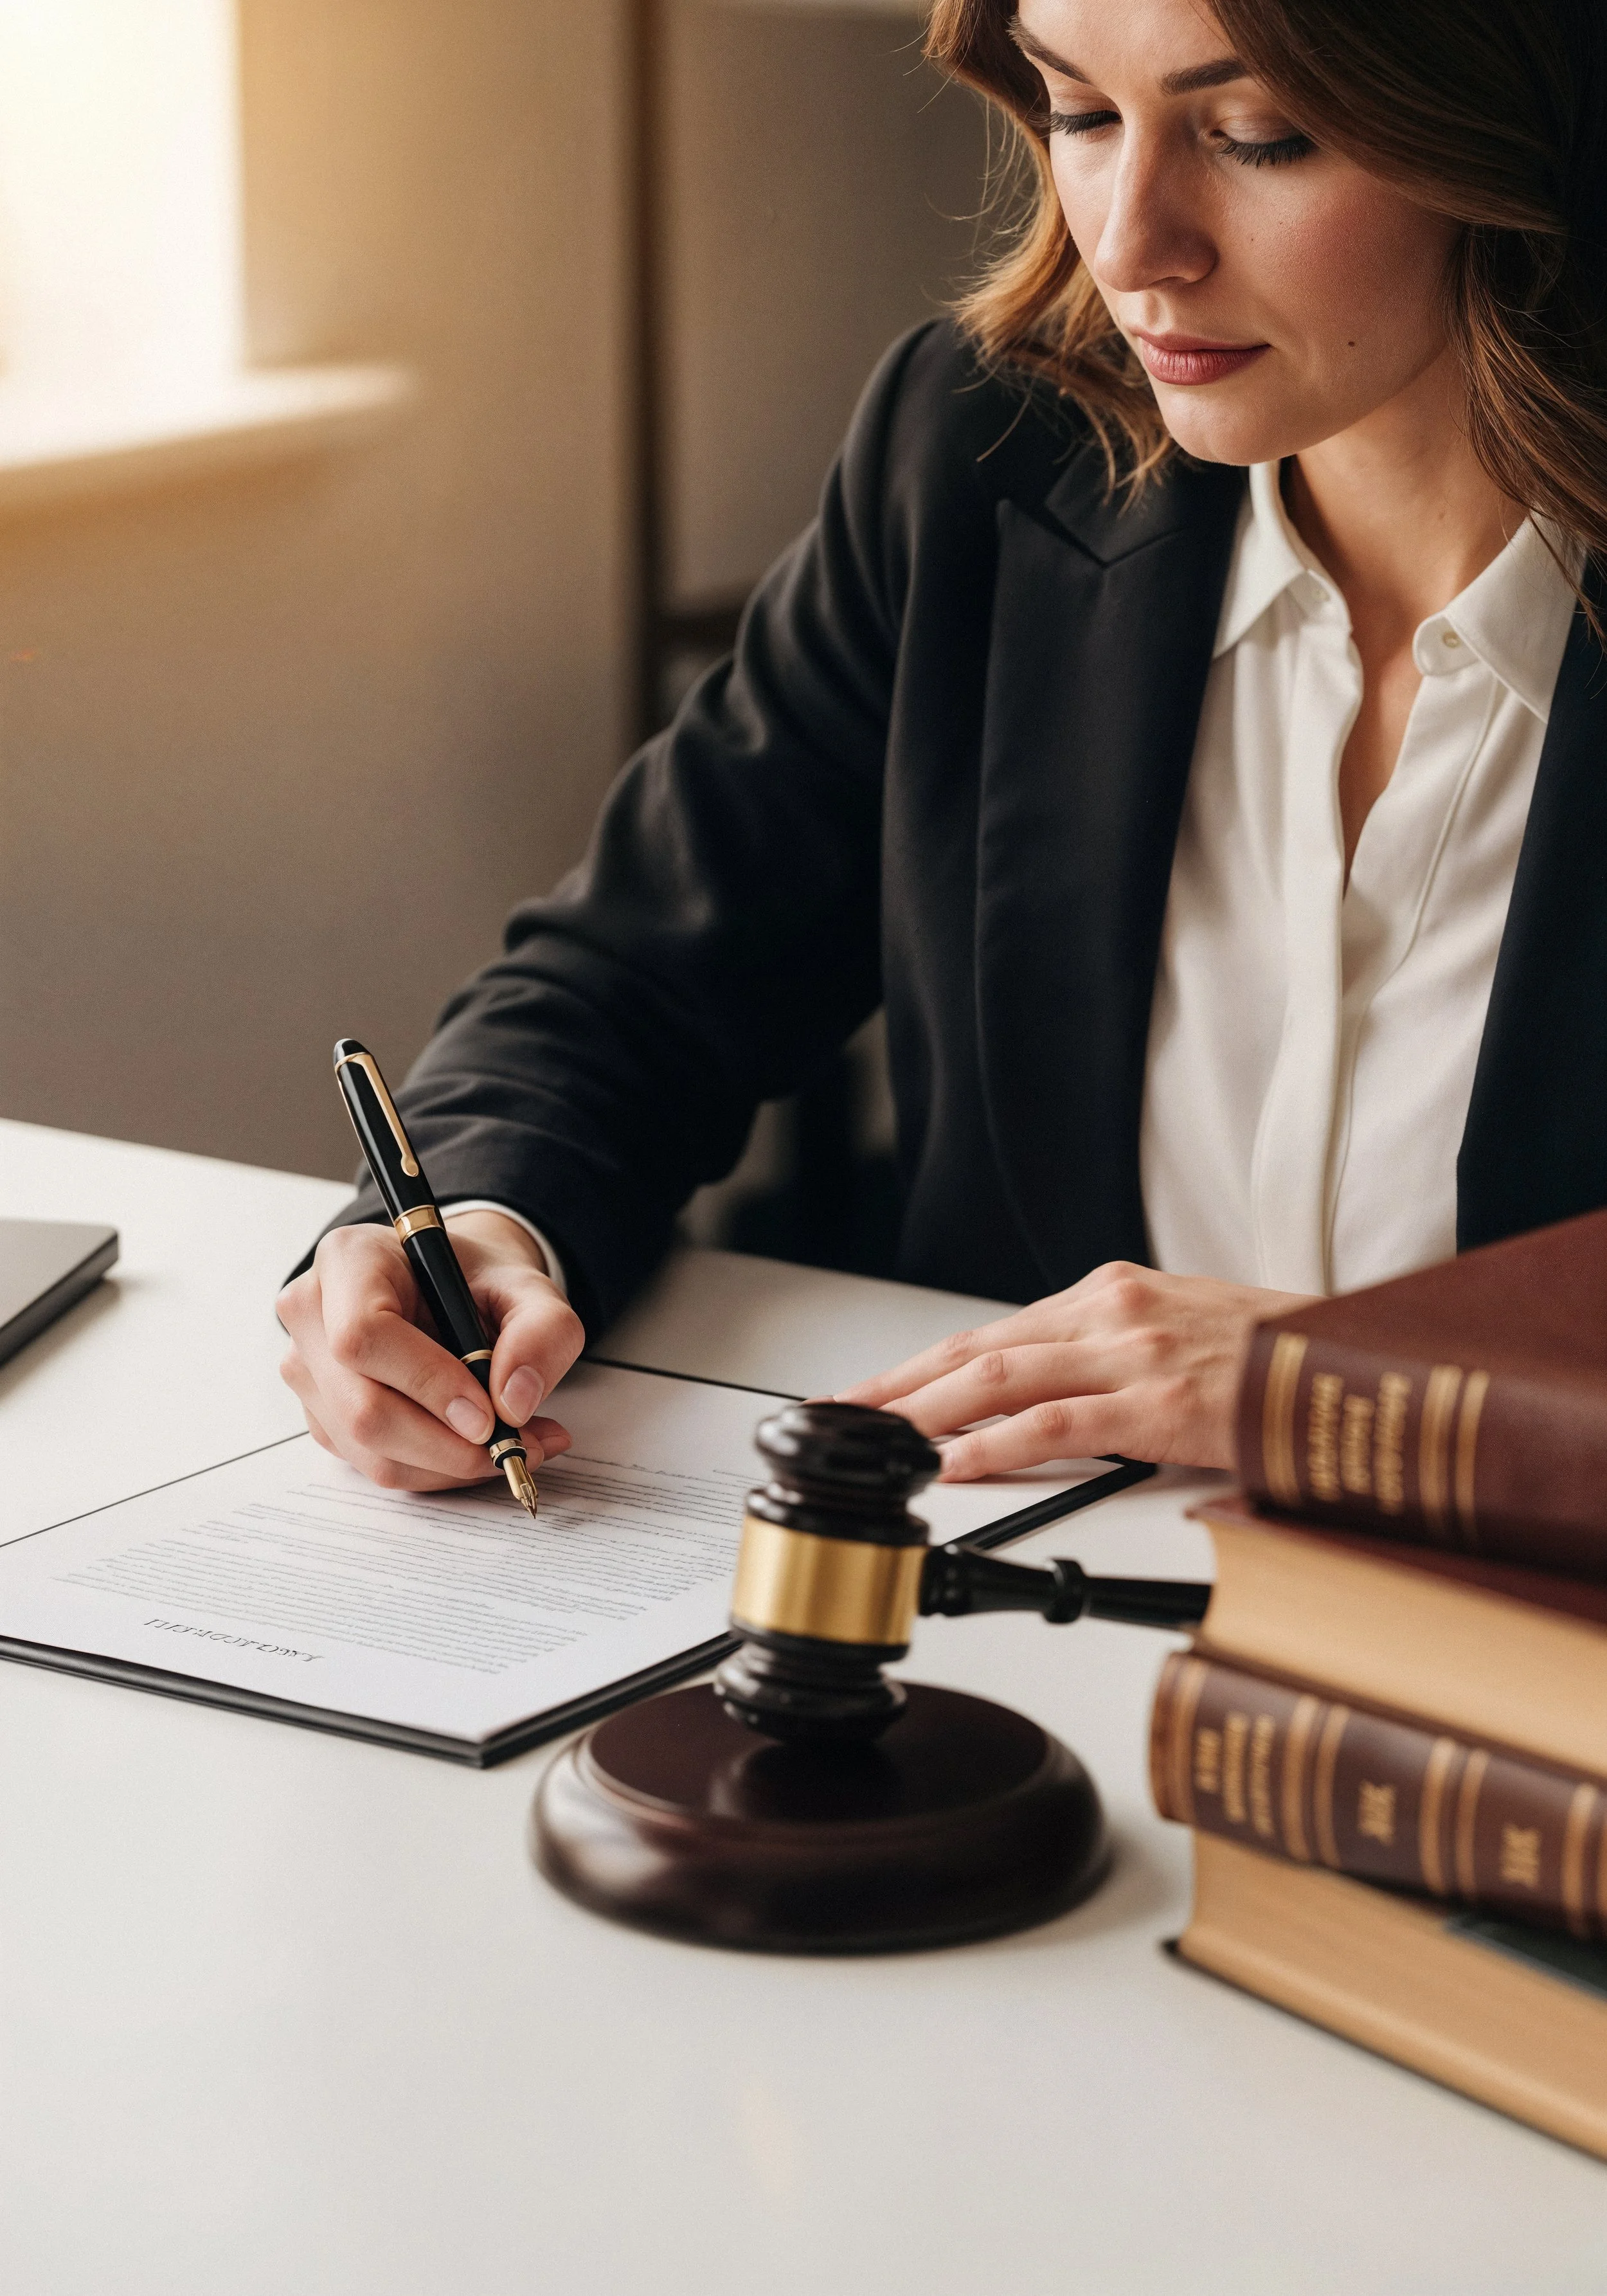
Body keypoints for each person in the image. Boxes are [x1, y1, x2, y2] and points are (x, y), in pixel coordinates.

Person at [278, 0, 1607, 1497]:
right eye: (1081, 115)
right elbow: (634, 980)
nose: (1126, 246)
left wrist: (1363, 1396)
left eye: (1255, 137)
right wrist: (472, 1226)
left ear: (1524, 120)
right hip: (1014, 1613)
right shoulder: (979, 453)